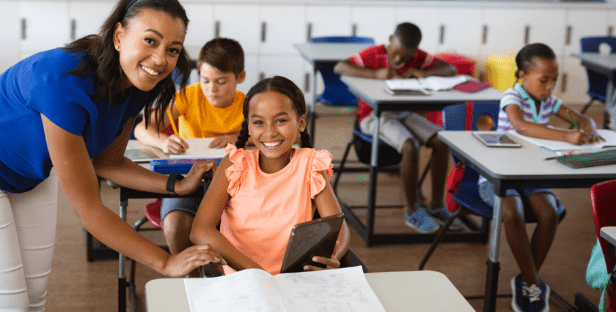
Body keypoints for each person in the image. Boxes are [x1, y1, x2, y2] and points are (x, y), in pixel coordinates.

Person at [0, 0, 225, 312]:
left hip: (30, 174)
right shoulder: (63, 81)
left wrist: (175, 186)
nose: (160, 60)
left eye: (173, 49)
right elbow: (89, 209)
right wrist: (165, 262)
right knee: (8, 304)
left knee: (34, 296)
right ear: (118, 35)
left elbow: (108, 162)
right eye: (150, 41)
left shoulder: (137, 85)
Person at [477, 43, 602, 312]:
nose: (549, 87)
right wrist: (567, 135)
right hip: (500, 174)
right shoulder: (512, 97)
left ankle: (526, 280)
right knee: (513, 213)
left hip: (532, 174)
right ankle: (533, 282)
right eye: (543, 80)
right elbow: (521, 125)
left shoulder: (550, 101)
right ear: (522, 75)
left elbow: (580, 119)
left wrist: (588, 127)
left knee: (549, 213)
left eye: (554, 80)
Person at [190, 76, 350, 275]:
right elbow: (200, 230)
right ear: (248, 126)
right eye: (258, 122)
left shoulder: (311, 165)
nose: (270, 132)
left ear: (301, 123)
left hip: (295, 280)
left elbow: (338, 228)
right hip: (243, 279)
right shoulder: (234, 164)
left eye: (280, 120)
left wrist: (333, 255)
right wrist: (257, 274)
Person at [333, 22, 463, 234]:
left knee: (441, 141)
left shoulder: (418, 58)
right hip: (374, 116)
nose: (399, 60)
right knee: (409, 146)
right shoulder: (375, 55)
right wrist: (374, 75)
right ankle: (412, 211)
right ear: (390, 39)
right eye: (396, 53)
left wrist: (423, 73)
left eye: (406, 56)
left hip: (403, 113)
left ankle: (437, 205)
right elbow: (340, 66)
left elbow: (450, 69)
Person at [133, 37, 247, 261]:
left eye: (221, 82)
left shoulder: (250, 104)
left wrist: (238, 137)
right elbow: (141, 129)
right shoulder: (189, 96)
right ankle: (190, 276)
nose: (211, 89)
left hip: (235, 187)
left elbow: (271, 136)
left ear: (240, 77)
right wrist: (163, 141)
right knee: (176, 225)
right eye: (205, 80)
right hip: (188, 182)